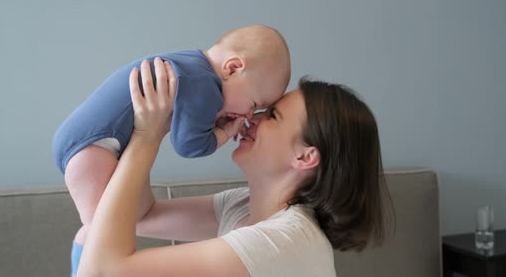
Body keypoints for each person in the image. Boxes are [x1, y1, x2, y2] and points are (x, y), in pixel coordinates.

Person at [77, 60, 393, 277]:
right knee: (88, 234)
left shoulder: (285, 241)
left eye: (272, 117)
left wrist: (144, 139)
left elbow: (103, 272)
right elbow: (141, 217)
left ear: (305, 157)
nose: (251, 118)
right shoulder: (243, 206)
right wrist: (158, 126)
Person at [52, 25, 291, 276]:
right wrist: (223, 133)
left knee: (119, 222)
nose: (249, 115)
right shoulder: (206, 88)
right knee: (100, 235)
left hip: (90, 143)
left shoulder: (192, 66)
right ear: (232, 68)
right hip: (94, 147)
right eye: (254, 104)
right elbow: (188, 145)